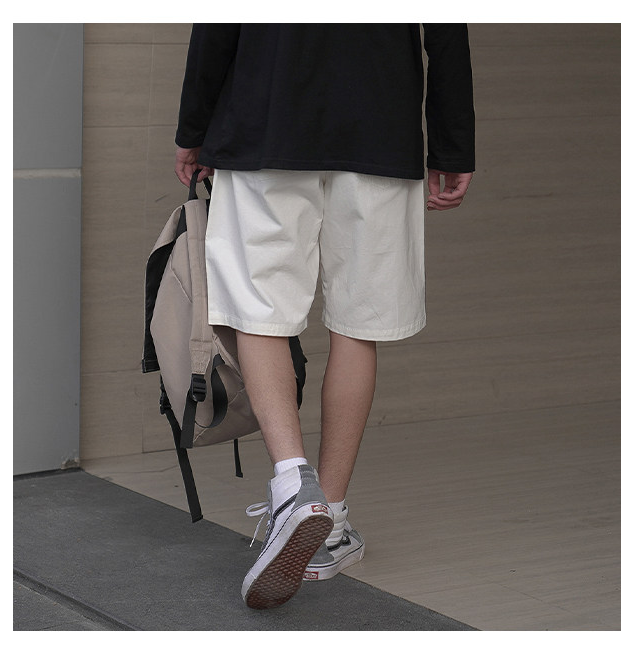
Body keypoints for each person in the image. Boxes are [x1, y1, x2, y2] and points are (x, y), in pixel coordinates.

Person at [174, 23, 475, 609]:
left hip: (264, 121)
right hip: (380, 128)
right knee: (358, 325)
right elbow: (446, 33)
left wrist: (195, 127)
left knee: (260, 312)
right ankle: (329, 521)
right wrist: (452, 145)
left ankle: (294, 485)